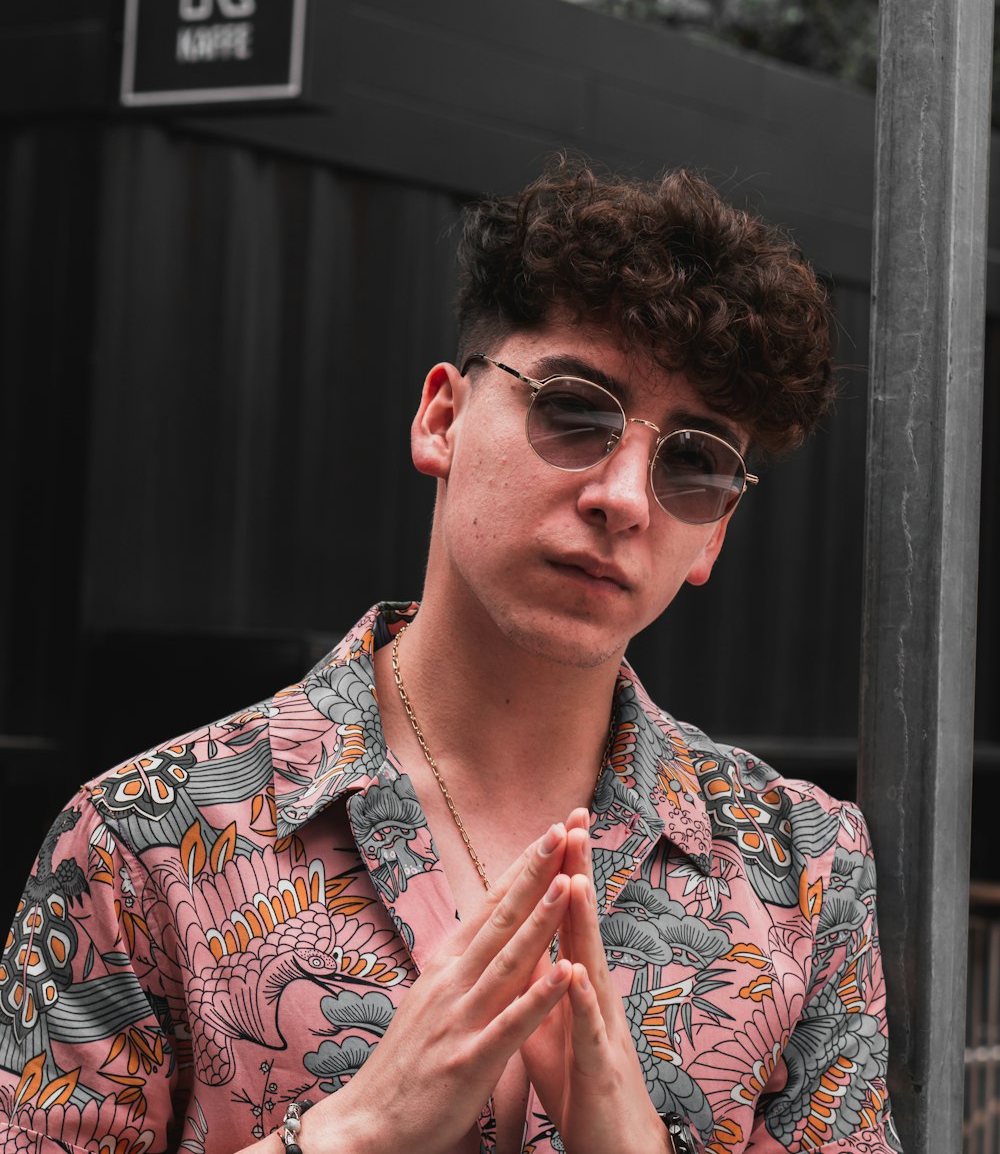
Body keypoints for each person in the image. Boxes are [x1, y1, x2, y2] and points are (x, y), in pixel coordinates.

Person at [0, 160, 900, 1154]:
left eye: (691, 461)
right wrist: (349, 1136)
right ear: (442, 417)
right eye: (574, 410)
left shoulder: (802, 869)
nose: (624, 498)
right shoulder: (144, 839)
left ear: (717, 533)